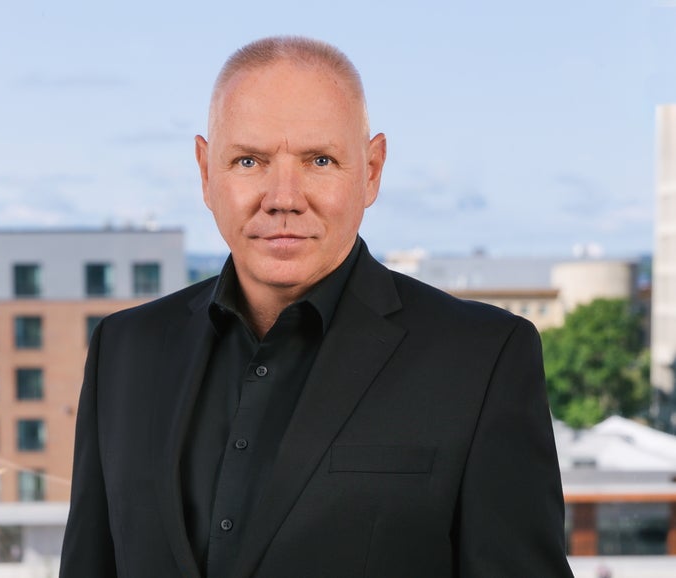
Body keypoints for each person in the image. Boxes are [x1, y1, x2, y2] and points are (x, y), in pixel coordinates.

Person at [60, 36, 574, 578]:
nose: (284, 197)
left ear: (372, 170)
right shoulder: (124, 350)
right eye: (249, 160)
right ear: (206, 172)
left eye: (320, 160)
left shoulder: (482, 361)